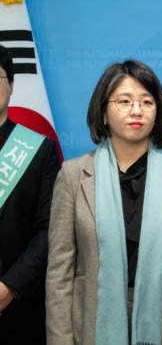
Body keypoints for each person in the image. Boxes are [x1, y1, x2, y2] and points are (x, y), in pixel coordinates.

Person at [46, 60, 162, 344]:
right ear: (103, 112)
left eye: (147, 102)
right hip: (92, 321)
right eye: (124, 101)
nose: (136, 110)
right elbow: (59, 273)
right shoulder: (74, 175)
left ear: (157, 112)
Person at [0, 45, 60, 344]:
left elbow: (49, 229)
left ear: (11, 85)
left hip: (19, 307)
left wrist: (11, 286)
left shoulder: (39, 150)